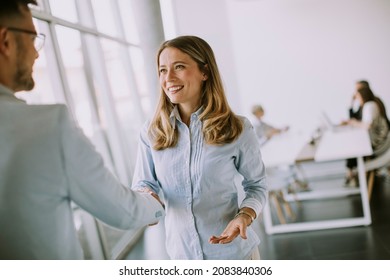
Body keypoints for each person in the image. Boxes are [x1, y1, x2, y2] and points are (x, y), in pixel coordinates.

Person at [0, 0, 165, 260]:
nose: (37, 53)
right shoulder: (49, 126)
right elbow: (122, 210)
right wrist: (155, 205)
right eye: (33, 38)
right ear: (6, 41)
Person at [131, 35, 267, 260]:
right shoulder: (151, 131)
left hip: (234, 255)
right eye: (163, 70)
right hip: (182, 255)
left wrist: (245, 216)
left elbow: (257, 185)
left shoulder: (237, 128)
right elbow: (143, 183)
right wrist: (146, 198)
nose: (169, 78)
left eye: (179, 67)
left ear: (205, 72)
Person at [344, 85, 390, 186]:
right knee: (352, 146)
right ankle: (352, 174)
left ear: (363, 96)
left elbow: (367, 125)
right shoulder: (370, 104)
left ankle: (351, 174)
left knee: (352, 148)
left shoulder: (369, 105)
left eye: (358, 97)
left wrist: (354, 123)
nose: (357, 99)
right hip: (379, 140)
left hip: (378, 142)